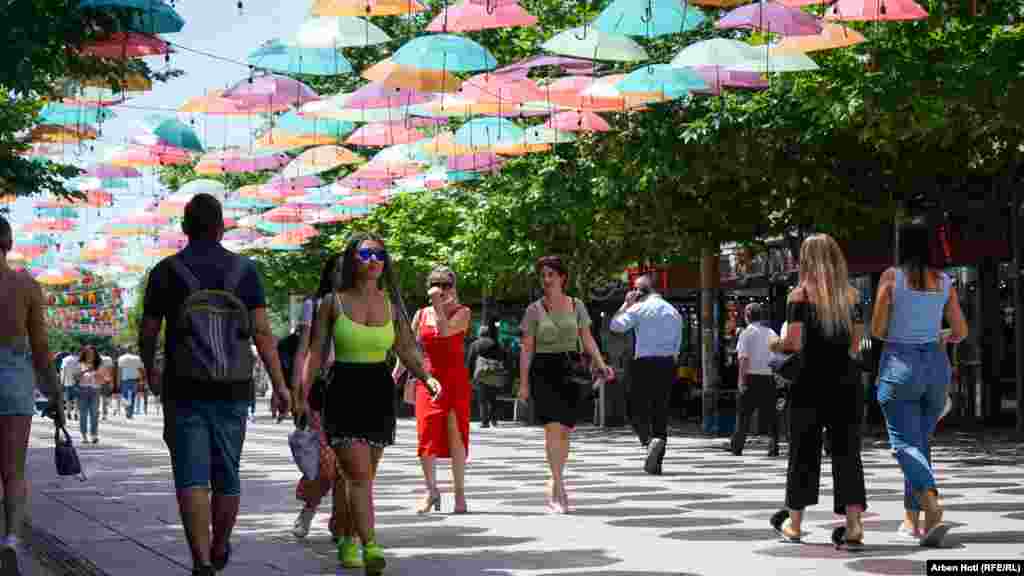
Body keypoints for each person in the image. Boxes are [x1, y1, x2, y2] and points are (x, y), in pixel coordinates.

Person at [139, 193, 291, 576]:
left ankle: (201, 560)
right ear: (222, 227)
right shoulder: (246, 272)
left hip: (183, 386)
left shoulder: (165, 272)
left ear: (184, 228)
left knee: (191, 475)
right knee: (228, 474)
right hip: (234, 387)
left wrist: (150, 368)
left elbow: (149, 331)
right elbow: (261, 331)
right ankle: (221, 542)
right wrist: (279, 384)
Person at [301, 233, 439, 574]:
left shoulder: (391, 304)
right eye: (365, 253)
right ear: (353, 259)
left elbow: (406, 349)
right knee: (358, 474)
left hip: (378, 390)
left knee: (360, 477)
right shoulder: (333, 302)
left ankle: (347, 536)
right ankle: (371, 546)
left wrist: (426, 377)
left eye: (379, 254)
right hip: (342, 389)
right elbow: (316, 352)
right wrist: (303, 394)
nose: (374, 259)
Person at [767, 234, 868, 549]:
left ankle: (795, 525)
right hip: (846, 384)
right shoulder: (851, 296)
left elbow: (793, 344)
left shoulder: (798, 296)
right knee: (847, 454)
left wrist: (774, 343)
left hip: (808, 384)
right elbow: (856, 346)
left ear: (805, 260)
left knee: (802, 453)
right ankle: (852, 527)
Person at [871, 223, 967, 547]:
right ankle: (913, 522)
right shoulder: (944, 282)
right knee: (920, 443)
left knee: (903, 443)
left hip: (900, 365)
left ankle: (932, 504)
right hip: (936, 369)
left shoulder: (890, 278)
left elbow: (878, 329)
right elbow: (961, 330)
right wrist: (938, 334)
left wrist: (902, 329)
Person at [519, 255, 615, 514]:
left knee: (564, 430)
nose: (546, 279)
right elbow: (527, 350)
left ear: (562, 278)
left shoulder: (577, 305)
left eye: (551, 274)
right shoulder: (533, 310)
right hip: (543, 371)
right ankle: (559, 488)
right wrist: (524, 384)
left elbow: (587, 338)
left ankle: (555, 478)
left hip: (570, 370)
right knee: (552, 429)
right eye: (543, 275)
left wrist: (600, 362)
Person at [0, 215, 63, 574]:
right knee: (13, 471)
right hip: (13, 379)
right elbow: (41, 347)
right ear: (7, 243)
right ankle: (10, 539)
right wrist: (53, 393)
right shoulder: (25, 285)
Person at [293, 257, 353, 550]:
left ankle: (339, 522)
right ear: (328, 274)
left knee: (348, 464)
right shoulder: (313, 306)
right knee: (326, 465)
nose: (343, 275)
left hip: (353, 388)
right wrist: (296, 392)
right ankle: (309, 508)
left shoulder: (361, 303)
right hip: (319, 390)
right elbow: (303, 349)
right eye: (337, 270)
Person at [407, 266, 472, 515]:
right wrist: (397, 373)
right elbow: (410, 349)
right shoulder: (421, 315)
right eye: (436, 284)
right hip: (429, 379)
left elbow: (445, 332)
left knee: (456, 436)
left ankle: (459, 494)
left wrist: (438, 305)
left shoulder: (463, 312)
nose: (441, 289)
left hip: (455, 380)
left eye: (446, 284)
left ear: (454, 287)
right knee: (426, 435)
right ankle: (431, 490)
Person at [609, 273, 682, 475]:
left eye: (634, 288)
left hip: (644, 363)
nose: (632, 292)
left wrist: (626, 304)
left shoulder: (639, 308)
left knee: (633, 405)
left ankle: (648, 441)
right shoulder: (674, 312)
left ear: (641, 292)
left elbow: (615, 326)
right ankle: (657, 460)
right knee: (660, 410)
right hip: (667, 364)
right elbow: (678, 344)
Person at [730, 302, 782, 457]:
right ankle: (774, 447)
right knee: (772, 415)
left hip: (751, 377)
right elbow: (777, 358)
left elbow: (743, 359)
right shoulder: (772, 333)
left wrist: (741, 380)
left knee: (743, 414)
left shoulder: (746, 333)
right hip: (768, 378)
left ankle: (737, 446)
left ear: (747, 316)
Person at [466, 322, 506, 428]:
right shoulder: (498, 344)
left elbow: (470, 360)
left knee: (482, 398)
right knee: (493, 398)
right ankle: (494, 420)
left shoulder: (475, 344)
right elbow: (505, 358)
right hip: (495, 373)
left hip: (481, 374)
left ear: (480, 333)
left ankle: (485, 422)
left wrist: (469, 376)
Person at [76, 346, 103, 444]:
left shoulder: (99, 364)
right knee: (83, 414)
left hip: (95, 390)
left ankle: (94, 435)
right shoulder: (80, 364)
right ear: (85, 353)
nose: (90, 355)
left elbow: (103, 379)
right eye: (88, 353)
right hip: (83, 390)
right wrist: (85, 371)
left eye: (92, 353)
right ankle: (84, 436)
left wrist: (98, 375)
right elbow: (75, 377)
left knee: (94, 414)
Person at [117, 347, 144, 419]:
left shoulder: (121, 358)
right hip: (134, 380)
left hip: (125, 380)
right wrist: (141, 381)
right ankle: (130, 413)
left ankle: (127, 410)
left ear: (126, 350)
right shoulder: (137, 358)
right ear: (132, 350)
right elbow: (140, 370)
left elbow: (120, 371)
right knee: (132, 397)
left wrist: (118, 382)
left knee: (125, 397)